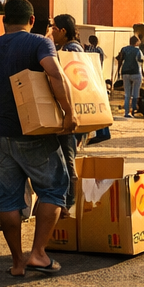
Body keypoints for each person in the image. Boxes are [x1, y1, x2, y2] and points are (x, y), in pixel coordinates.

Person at [0, 0, 75, 275]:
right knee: (54, 188)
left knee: (9, 198)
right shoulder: (38, 43)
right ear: (32, 21)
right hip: (34, 132)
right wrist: (69, 111)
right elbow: (55, 73)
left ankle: (17, 261)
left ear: (3, 20)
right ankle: (39, 254)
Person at [48, 14, 89, 180]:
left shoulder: (71, 50)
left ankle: (68, 201)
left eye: (54, 28)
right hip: (70, 110)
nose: (52, 32)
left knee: (67, 162)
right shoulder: (71, 48)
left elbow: (71, 82)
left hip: (70, 111)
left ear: (63, 31)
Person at [116, 35, 144, 119]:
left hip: (125, 72)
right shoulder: (138, 51)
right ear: (136, 42)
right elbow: (141, 62)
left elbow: (120, 60)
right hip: (136, 72)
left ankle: (126, 112)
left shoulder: (124, 49)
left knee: (127, 94)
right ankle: (133, 110)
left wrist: (118, 71)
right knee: (135, 92)